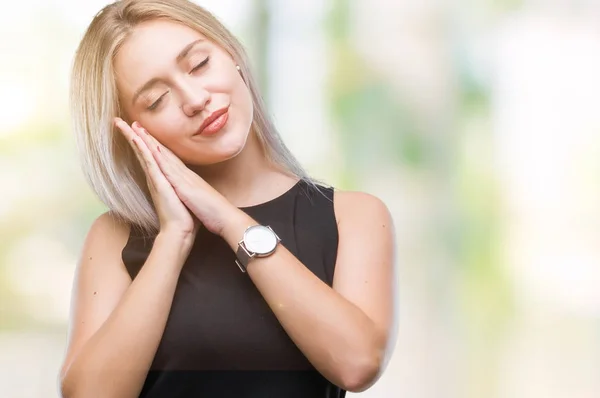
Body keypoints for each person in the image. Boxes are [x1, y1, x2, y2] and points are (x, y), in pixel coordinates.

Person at [58, 0, 397, 397]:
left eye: (199, 63)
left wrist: (228, 218)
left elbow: (356, 364)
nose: (195, 98)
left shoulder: (352, 216)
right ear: (135, 132)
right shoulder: (116, 236)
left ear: (232, 53)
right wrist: (174, 237)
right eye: (156, 100)